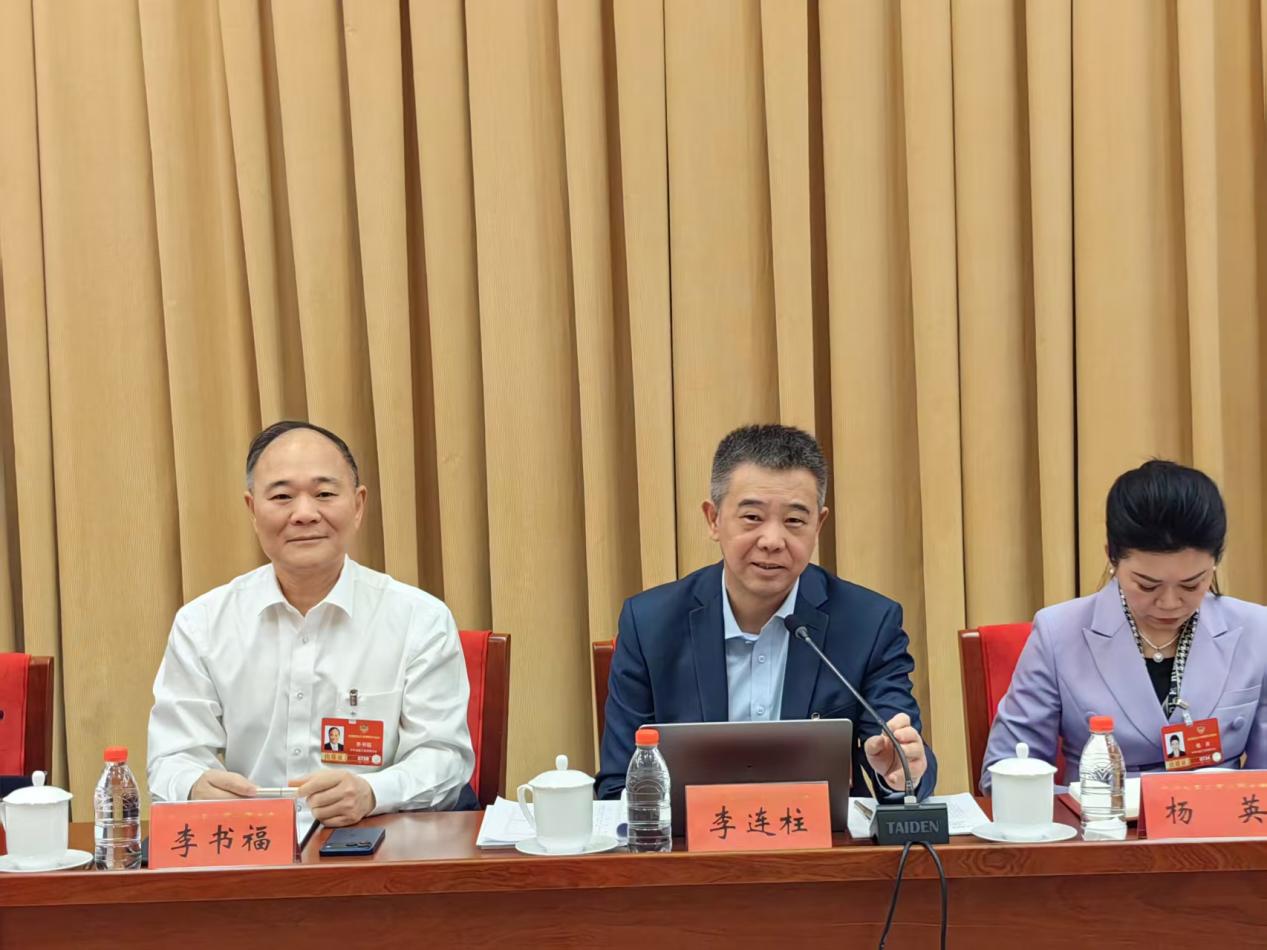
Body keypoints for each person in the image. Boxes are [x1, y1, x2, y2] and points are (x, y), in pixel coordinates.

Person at [148, 421, 476, 826]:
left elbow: (444, 756)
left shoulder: (419, 619)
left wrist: (373, 792)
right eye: (282, 496)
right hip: (250, 844)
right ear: (252, 510)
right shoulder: (202, 624)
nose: (304, 514)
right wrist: (195, 786)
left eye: (324, 494)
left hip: (380, 841)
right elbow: (172, 756)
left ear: (358, 505)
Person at [596, 424, 937, 801]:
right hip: (689, 836)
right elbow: (618, 783)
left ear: (818, 525)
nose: (772, 541)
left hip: (819, 838)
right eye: (752, 517)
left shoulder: (868, 624)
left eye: (794, 521)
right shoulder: (650, 624)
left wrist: (901, 772)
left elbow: (903, 760)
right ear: (713, 519)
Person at [982, 460, 1267, 791]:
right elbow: (1004, 777)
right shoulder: (1058, 633)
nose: (1169, 603)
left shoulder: (1257, 630)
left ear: (1215, 562)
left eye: (1192, 584)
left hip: (1217, 820)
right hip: (1099, 819)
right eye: (1147, 585)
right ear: (1112, 558)